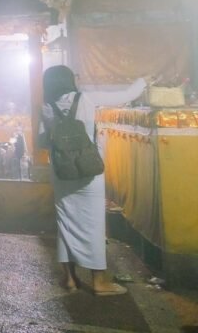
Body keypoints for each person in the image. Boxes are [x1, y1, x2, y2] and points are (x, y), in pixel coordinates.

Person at [40, 65, 146, 295]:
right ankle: (99, 282)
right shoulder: (86, 99)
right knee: (94, 226)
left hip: (62, 174)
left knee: (65, 224)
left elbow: (41, 140)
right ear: (69, 80)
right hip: (88, 172)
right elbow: (125, 96)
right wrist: (143, 81)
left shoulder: (46, 107)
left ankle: (69, 279)